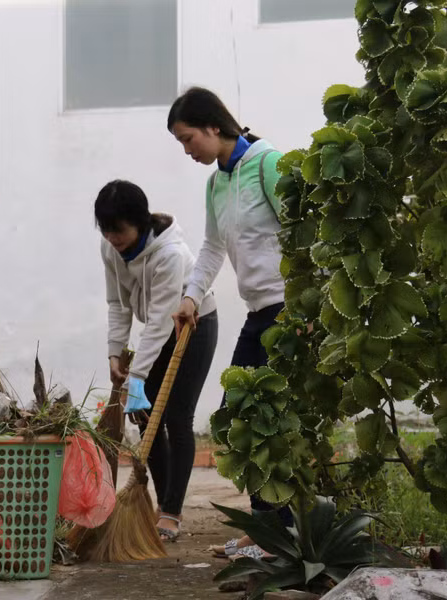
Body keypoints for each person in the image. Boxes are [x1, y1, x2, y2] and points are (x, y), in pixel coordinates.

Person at [166, 87, 288, 558]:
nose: (186, 150)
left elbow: (302, 234)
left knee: (271, 423)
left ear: (214, 126)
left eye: (188, 138)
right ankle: (266, 529)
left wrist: (306, 311)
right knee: (239, 418)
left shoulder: (268, 164)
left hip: (288, 311)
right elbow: (213, 247)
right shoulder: (217, 183)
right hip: (258, 313)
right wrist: (191, 297)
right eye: (180, 142)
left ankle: (280, 534)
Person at [96, 179, 218, 541]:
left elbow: (162, 320)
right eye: (106, 230)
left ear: (139, 222)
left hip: (192, 326)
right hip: (158, 329)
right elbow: (117, 304)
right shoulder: (110, 249)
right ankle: (162, 501)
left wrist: (137, 377)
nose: (112, 238)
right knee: (147, 416)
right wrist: (115, 351)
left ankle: (171, 512)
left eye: (118, 230)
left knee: (178, 415)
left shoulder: (170, 254)